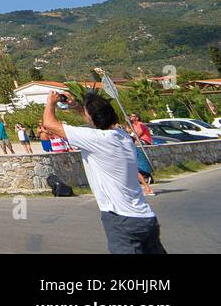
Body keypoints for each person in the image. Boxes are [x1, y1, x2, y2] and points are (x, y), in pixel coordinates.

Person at [41, 90, 165, 254]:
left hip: (121, 219)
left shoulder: (96, 139)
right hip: (146, 217)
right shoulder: (123, 137)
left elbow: (49, 124)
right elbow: (97, 121)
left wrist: (50, 102)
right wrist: (78, 107)